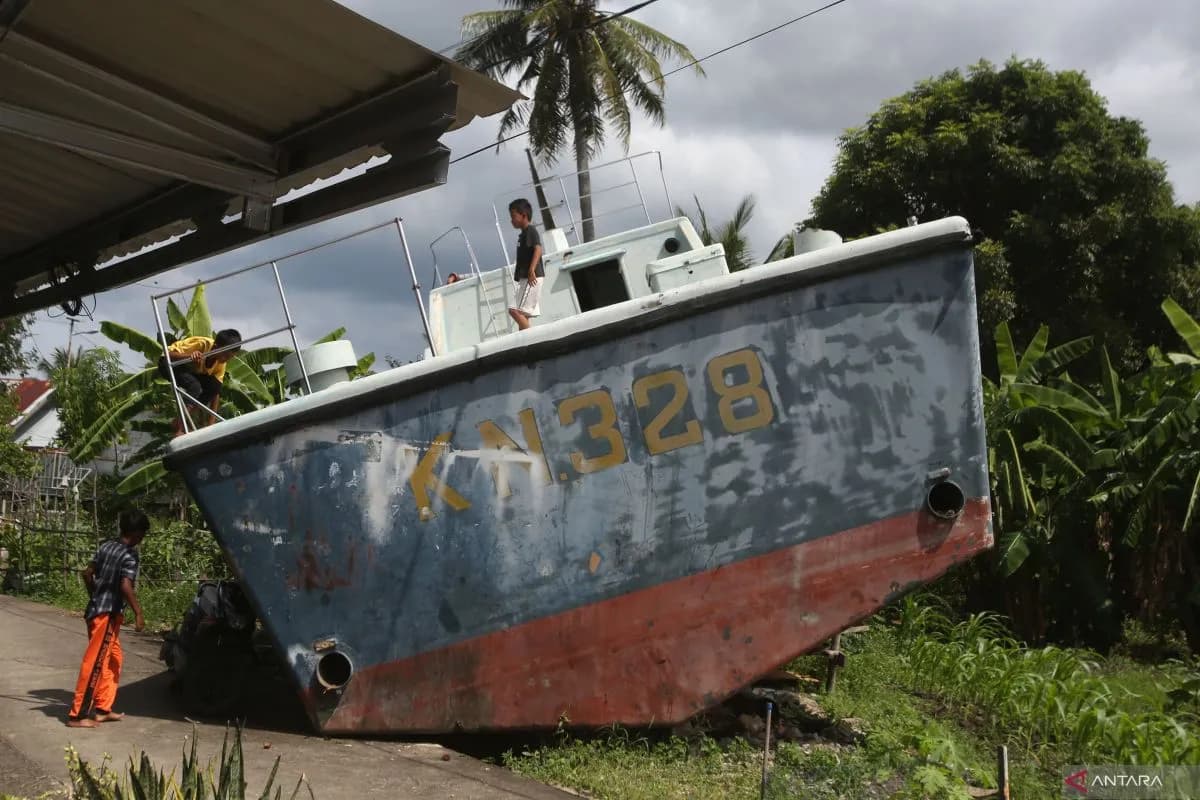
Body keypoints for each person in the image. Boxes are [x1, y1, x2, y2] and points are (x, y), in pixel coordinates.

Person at [66, 509, 149, 728]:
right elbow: (125, 585)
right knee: (94, 663)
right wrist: (138, 613)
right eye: (143, 534)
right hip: (106, 615)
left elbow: (87, 573)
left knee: (114, 658)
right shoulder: (130, 555)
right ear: (138, 533)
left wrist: (94, 593)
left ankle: (103, 708)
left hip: (97, 610)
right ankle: (78, 715)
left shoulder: (106, 546)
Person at [157, 328, 242, 434]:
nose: (226, 360)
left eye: (230, 358)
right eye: (225, 355)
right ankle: (179, 425)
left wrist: (211, 426)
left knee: (214, 387)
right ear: (215, 347)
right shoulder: (202, 344)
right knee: (195, 387)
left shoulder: (221, 363)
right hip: (169, 363)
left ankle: (179, 421)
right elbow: (168, 354)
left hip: (188, 370)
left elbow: (215, 392)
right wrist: (190, 356)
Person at [507, 198, 543, 331]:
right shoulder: (523, 235)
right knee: (522, 314)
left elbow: (538, 248)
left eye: (513, 216)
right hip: (526, 278)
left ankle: (534, 339)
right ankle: (525, 341)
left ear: (524, 215)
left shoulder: (530, 231)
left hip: (531, 278)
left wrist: (532, 269)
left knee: (514, 310)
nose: (511, 220)